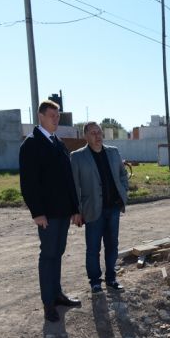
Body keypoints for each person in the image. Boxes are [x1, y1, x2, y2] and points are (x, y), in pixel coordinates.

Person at [19, 100, 82, 323]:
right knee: (48, 255)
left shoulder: (58, 142)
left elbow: (68, 180)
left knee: (57, 254)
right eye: (52, 116)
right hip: (47, 214)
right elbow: (28, 183)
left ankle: (57, 294)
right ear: (41, 117)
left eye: (58, 116)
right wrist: (37, 212)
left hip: (64, 212)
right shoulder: (31, 144)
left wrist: (75, 208)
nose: (56, 119)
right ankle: (48, 304)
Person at [71, 122, 129, 293]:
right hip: (92, 210)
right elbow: (74, 186)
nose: (97, 136)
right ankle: (95, 282)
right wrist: (77, 210)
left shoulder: (113, 152)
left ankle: (111, 279)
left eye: (99, 132)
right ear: (85, 136)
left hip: (113, 209)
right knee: (93, 248)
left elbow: (122, 174)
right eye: (93, 133)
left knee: (112, 245)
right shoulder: (77, 157)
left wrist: (123, 192)